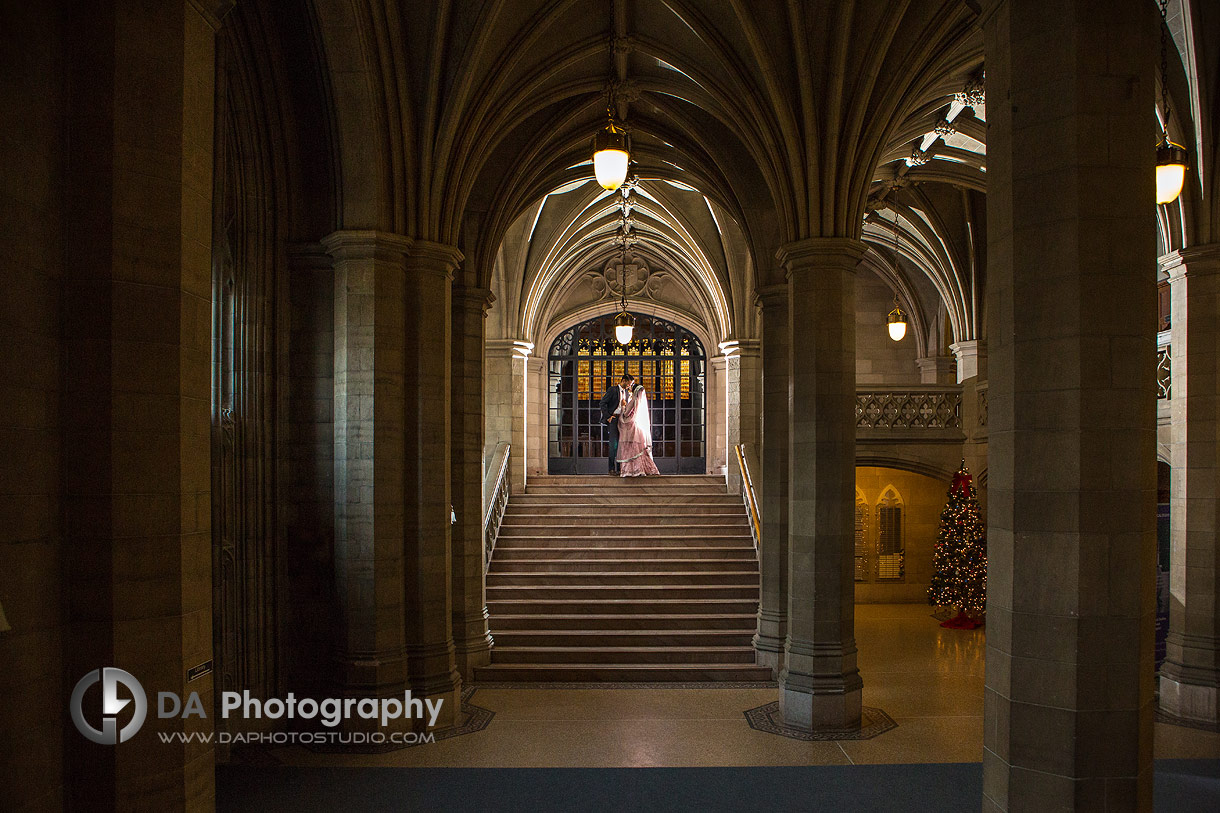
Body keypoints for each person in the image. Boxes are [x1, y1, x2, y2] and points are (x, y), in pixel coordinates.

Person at [617, 383, 661, 477]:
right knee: (638, 449)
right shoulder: (639, 401)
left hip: (631, 428)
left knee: (630, 449)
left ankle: (630, 470)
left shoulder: (633, 400)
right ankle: (641, 468)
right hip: (639, 428)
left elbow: (626, 413)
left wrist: (623, 406)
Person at [599, 373, 634, 474]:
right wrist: (608, 417)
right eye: (628, 384)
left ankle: (620, 469)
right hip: (613, 420)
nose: (629, 386)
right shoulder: (612, 390)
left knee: (621, 445)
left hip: (622, 420)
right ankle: (611, 469)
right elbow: (602, 403)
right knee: (613, 445)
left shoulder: (627, 393)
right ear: (623, 381)